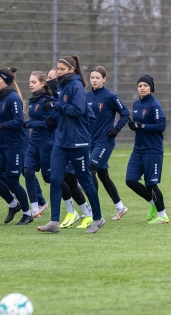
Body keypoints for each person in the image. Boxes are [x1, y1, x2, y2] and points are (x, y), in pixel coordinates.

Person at [37, 56, 104, 234]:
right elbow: (64, 110)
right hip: (61, 142)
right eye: (57, 68)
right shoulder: (61, 85)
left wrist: (55, 105)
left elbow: (78, 110)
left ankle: (97, 218)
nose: (58, 71)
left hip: (78, 143)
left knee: (85, 181)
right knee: (55, 179)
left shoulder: (76, 86)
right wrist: (54, 117)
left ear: (72, 70)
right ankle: (54, 222)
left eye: (62, 69)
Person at [46, 67, 95, 230]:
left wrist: (79, 135)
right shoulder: (54, 97)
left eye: (51, 78)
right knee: (64, 181)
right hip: (60, 145)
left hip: (75, 144)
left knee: (65, 180)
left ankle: (87, 214)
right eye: (48, 79)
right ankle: (78, 213)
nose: (49, 81)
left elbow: (89, 117)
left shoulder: (74, 92)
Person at [0, 67, 33, 225]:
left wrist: (2, 125)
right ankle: (13, 204)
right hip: (1, 144)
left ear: (6, 80)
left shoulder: (13, 97)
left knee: (13, 180)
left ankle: (27, 213)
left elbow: (19, 120)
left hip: (16, 144)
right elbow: (1, 122)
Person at [87, 65, 130, 221]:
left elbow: (125, 113)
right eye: (92, 77)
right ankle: (120, 207)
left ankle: (93, 209)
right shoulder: (86, 97)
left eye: (98, 78)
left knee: (90, 169)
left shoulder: (110, 96)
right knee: (103, 175)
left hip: (105, 142)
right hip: (91, 142)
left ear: (104, 79)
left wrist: (116, 129)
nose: (95, 80)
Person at [125, 75, 169, 224]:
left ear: (150, 87)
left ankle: (163, 215)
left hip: (153, 150)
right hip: (138, 150)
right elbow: (137, 125)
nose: (142, 88)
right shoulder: (136, 104)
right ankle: (153, 205)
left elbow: (161, 126)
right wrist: (134, 126)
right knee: (130, 180)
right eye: (139, 85)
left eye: (145, 85)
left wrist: (141, 126)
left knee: (151, 184)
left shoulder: (154, 105)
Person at [23, 70, 53, 218]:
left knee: (48, 177)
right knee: (27, 171)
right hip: (33, 141)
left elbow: (50, 123)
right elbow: (35, 121)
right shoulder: (32, 100)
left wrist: (30, 124)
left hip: (47, 141)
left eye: (34, 82)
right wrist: (27, 123)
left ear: (42, 83)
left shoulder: (48, 100)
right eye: (29, 82)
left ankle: (74, 186)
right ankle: (35, 207)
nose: (30, 84)